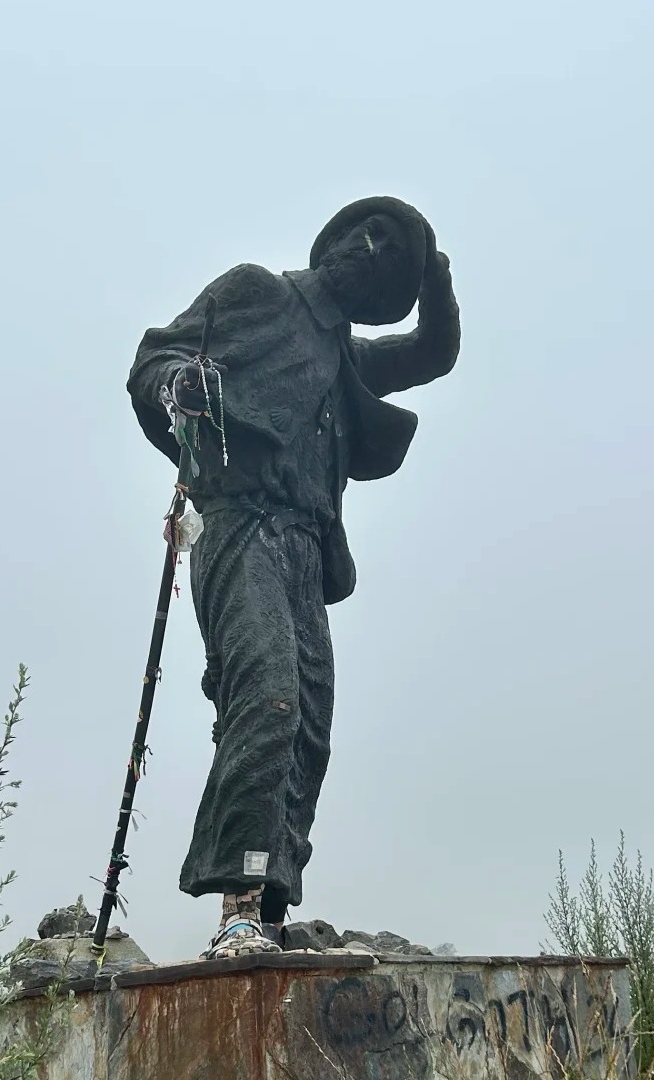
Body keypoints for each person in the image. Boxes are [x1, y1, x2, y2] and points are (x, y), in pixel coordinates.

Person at [127, 196, 461, 958]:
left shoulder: (349, 358)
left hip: (308, 550)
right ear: (335, 240)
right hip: (241, 523)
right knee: (267, 698)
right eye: (370, 234)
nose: (373, 250)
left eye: (391, 256)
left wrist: (432, 272)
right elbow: (155, 359)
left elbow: (433, 353)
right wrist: (180, 383)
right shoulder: (258, 292)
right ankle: (238, 906)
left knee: (309, 730)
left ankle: (271, 909)